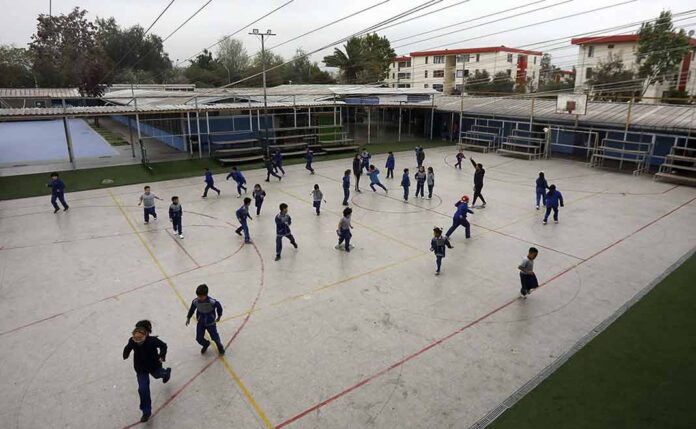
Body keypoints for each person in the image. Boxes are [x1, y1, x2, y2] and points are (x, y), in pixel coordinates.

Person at [122, 320, 171, 423]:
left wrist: (162, 355)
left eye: (140, 338)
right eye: (136, 338)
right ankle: (146, 411)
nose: (137, 341)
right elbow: (128, 347)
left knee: (158, 375)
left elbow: (163, 345)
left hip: (154, 366)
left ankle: (166, 373)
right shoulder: (132, 341)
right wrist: (126, 353)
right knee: (143, 389)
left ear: (146, 334)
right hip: (141, 369)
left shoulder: (153, 341)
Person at [185, 284, 225, 355]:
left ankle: (219, 346)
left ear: (206, 295)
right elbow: (192, 309)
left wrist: (219, 315)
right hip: (201, 323)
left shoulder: (211, 302)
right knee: (199, 338)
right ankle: (206, 344)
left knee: (215, 337)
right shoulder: (195, 301)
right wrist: (188, 317)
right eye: (198, 296)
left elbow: (219, 307)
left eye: (201, 296)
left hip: (211, 323)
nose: (199, 298)